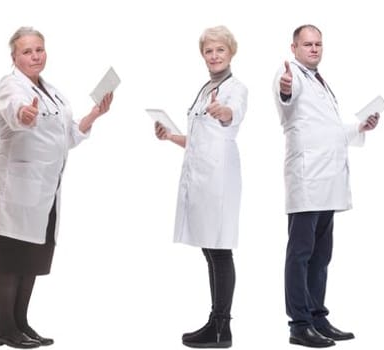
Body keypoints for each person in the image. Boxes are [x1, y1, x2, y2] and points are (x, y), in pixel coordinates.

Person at [0, 26, 113, 349]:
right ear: (14, 56)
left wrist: (95, 113)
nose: (35, 55)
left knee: (32, 259)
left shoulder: (51, 91)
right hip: (16, 189)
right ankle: (3, 327)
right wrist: (23, 114)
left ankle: (21, 323)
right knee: (11, 258)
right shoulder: (10, 85)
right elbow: (15, 111)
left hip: (45, 190)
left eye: (39, 49)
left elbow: (67, 135)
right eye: (27, 51)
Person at [272, 24, 379, 349]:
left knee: (321, 256)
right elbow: (286, 99)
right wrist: (286, 88)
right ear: (294, 48)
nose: (314, 49)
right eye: (307, 44)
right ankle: (299, 324)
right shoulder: (289, 74)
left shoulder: (319, 80)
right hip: (307, 180)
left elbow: (328, 129)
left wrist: (360, 126)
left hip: (328, 182)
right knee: (301, 254)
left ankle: (318, 317)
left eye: (318, 44)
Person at [152, 26, 247, 349]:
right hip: (201, 176)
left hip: (219, 178)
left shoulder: (235, 88)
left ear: (230, 52)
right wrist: (170, 137)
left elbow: (230, 115)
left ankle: (222, 327)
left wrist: (224, 111)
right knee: (210, 249)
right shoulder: (207, 87)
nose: (214, 55)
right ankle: (215, 322)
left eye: (220, 50)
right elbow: (198, 140)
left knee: (219, 249)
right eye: (209, 51)